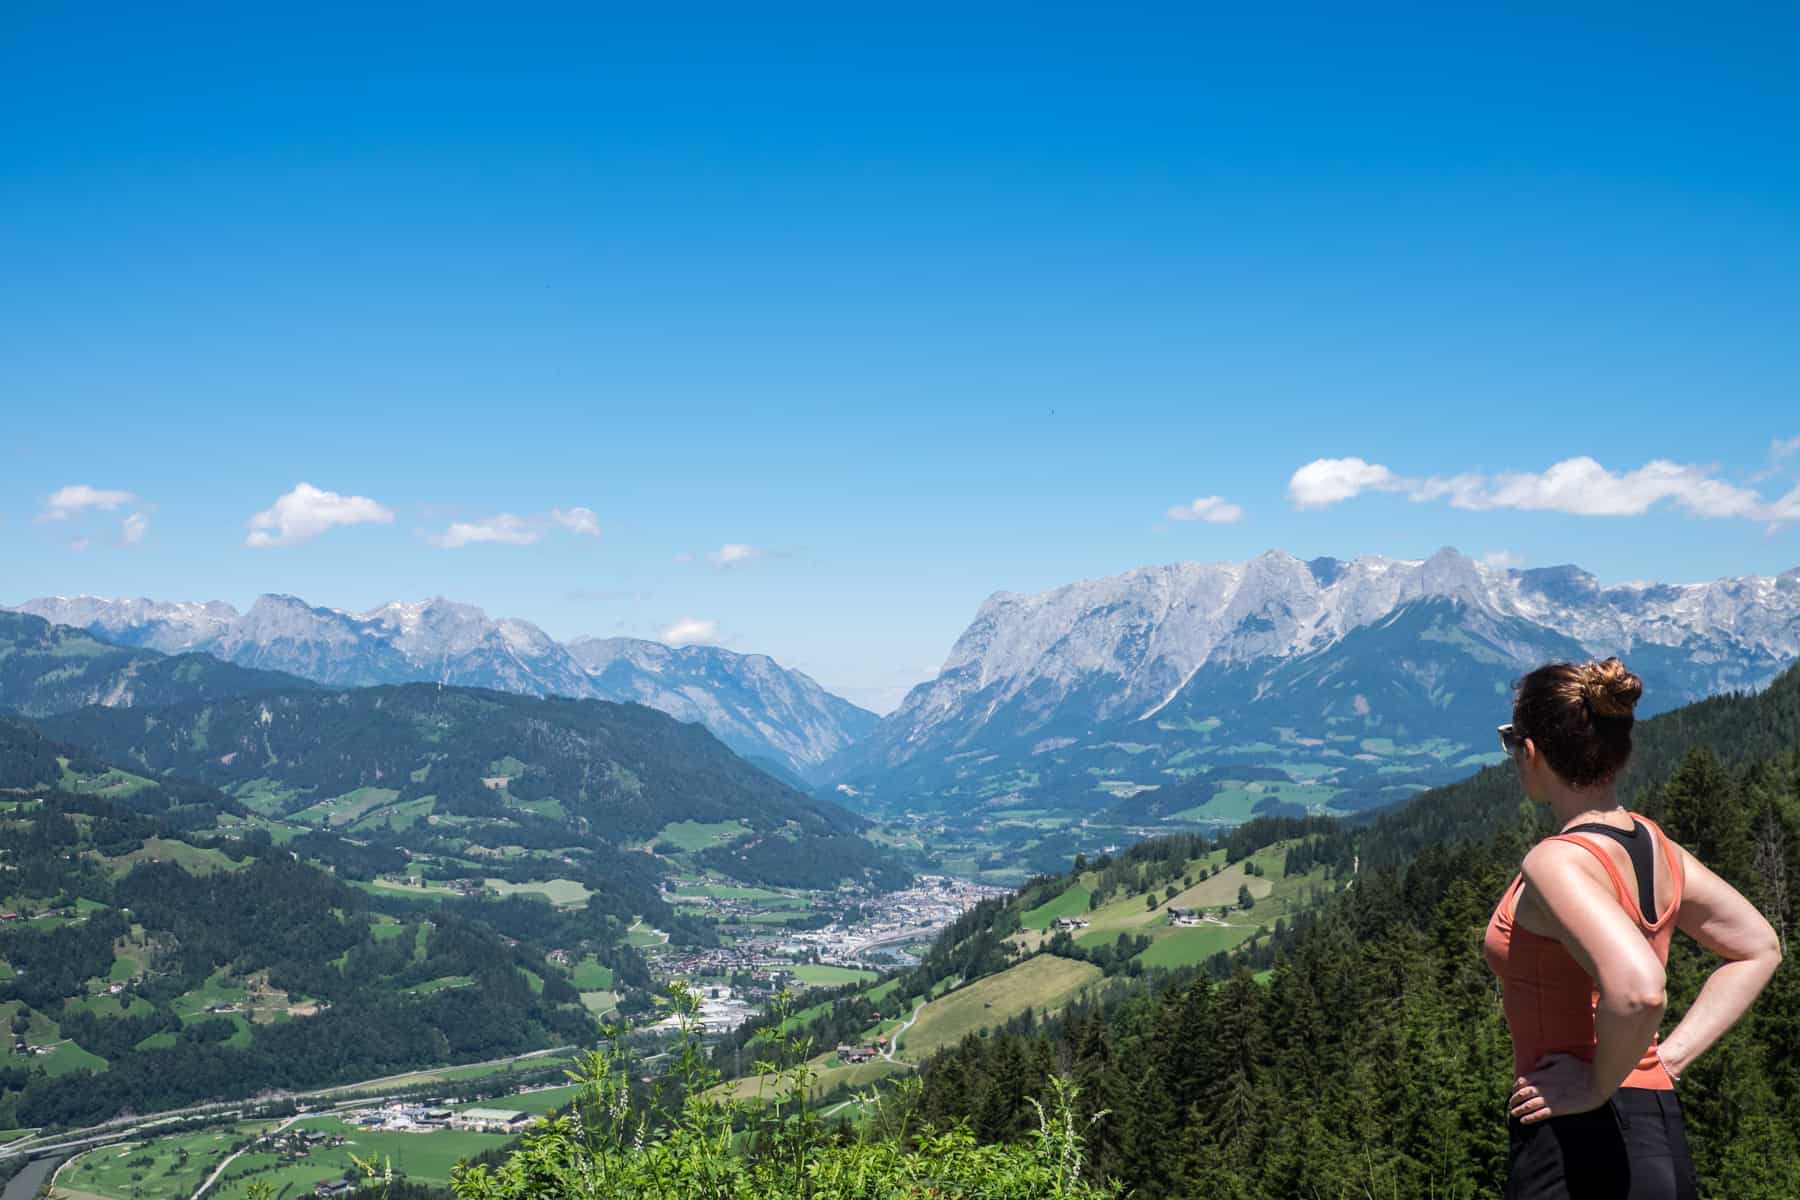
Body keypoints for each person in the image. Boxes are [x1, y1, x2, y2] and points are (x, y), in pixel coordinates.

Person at [1483, 657, 1782, 1199]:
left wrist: (1598, 1084)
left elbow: (1641, 989)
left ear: (1531, 753)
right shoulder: (1657, 847)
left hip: (1575, 1141)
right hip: (1658, 1131)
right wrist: (1666, 1059)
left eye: (1511, 742)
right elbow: (1757, 947)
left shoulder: (1557, 861)